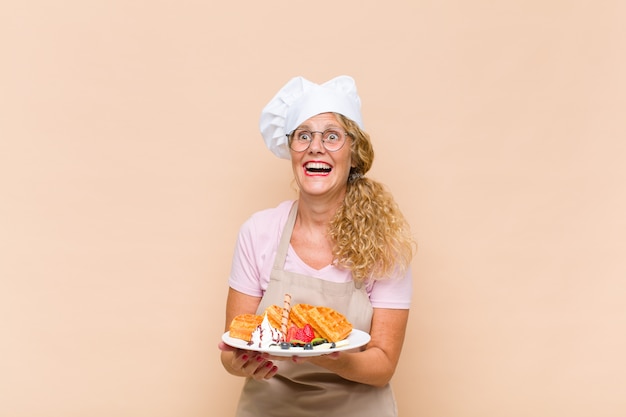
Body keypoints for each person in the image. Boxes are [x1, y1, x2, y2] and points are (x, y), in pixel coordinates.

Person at [218, 75, 415, 417]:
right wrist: (240, 364)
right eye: (303, 136)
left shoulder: (385, 242)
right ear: (292, 151)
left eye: (332, 136)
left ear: (354, 154)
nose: (315, 146)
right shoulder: (259, 232)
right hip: (269, 406)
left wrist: (327, 357)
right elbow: (232, 350)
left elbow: (383, 363)